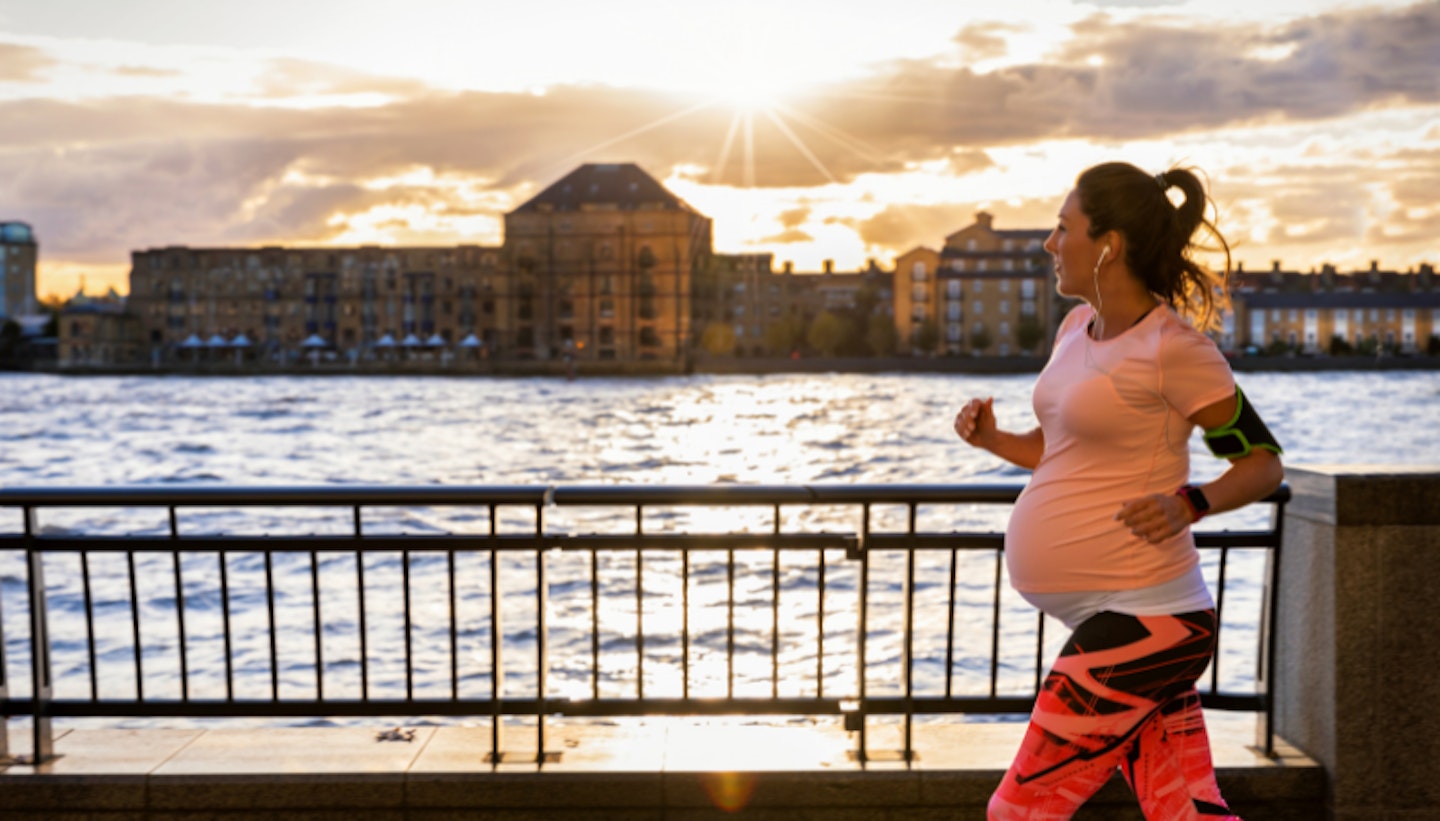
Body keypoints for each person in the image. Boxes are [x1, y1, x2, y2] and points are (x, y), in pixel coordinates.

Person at [954, 162, 1284, 820]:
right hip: (1119, 615)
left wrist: (1187, 503)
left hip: (1150, 619)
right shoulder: (1075, 330)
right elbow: (1059, 451)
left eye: (1062, 227)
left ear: (1109, 245)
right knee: (1186, 812)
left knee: (1019, 812)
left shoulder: (1174, 348)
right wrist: (993, 439)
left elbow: (1263, 463)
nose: (1049, 244)